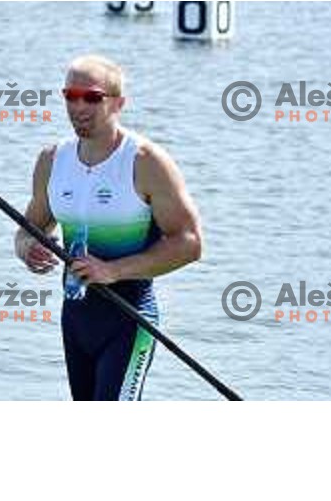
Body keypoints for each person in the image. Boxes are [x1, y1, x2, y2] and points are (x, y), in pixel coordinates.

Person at [15, 55, 203, 401]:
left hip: (130, 323)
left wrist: (113, 270)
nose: (78, 105)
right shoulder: (52, 161)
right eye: (70, 95)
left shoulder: (145, 162)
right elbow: (29, 228)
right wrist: (28, 248)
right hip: (75, 321)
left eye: (92, 97)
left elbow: (189, 243)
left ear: (119, 103)